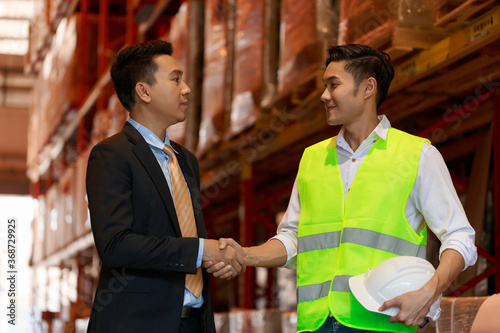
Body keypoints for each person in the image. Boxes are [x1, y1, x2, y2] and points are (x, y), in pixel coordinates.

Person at [207, 44, 477, 333]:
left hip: (381, 324)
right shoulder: (312, 158)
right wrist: (245, 255)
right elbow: (294, 240)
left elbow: (460, 237)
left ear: (368, 88)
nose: (324, 95)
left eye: (333, 85)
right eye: (325, 85)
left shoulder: (417, 155)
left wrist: (430, 291)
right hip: (316, 324)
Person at [86, 40, 244, 333]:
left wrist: (215, 261)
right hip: (138, 324)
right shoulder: (112, 155)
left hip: (192, 323)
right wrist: (201, 251)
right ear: (143, 91)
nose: (186, 89)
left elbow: (182, 236)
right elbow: (115, 245)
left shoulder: (186, 161)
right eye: (175, 79)